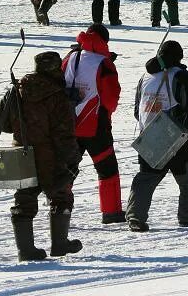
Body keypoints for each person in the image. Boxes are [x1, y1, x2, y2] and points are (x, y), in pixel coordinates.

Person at [6, 51, 83, 261]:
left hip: (21, 151)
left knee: (24, 198)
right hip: (50, 154)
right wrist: (72, 159)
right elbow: (64, 133)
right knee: (61, 195)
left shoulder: (18, 90)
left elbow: (1, 123)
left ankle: (25, 250)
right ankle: (59, 244)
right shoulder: (57, 95)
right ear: (56, 69)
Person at [126, 40, 188, 231]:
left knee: (145, 178)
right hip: (177, 136)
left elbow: (137, 110)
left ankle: (135, 216)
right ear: (179, 57)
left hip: (150, 133)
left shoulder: (145, 77)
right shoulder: (181, 76)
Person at [63, 24, 125, 225]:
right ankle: (111, 213)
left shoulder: (70, 57)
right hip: (96, 126)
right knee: (107, 169)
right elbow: (110, 100)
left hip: (70, 124)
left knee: (67, 170)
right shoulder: (104, 63)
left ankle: (60, 211)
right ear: (104, 41)